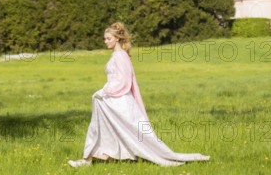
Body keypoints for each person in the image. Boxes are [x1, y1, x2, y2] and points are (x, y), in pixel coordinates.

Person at [68, 22, 210, 167]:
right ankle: (92, 158)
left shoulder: (120, 56)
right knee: (101, 126)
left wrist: (104, 91)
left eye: (108, 39)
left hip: (119, 101)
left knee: (137, 134)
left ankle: (92, 158)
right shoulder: (117, 55)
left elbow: (124, 80)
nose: (105, 42)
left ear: (117, 38)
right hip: (113, 99)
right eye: (105, 39)